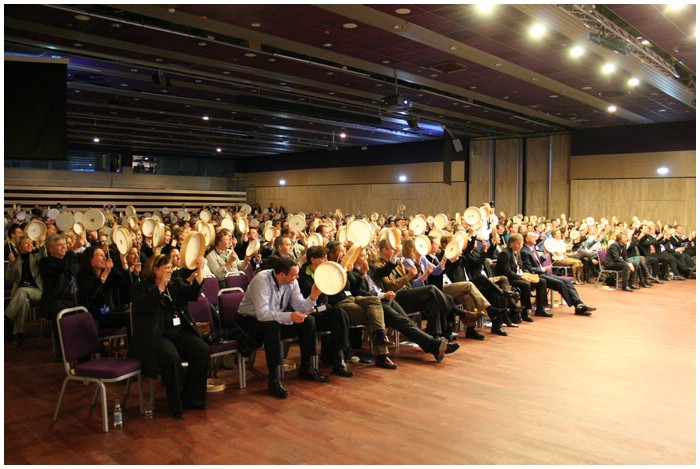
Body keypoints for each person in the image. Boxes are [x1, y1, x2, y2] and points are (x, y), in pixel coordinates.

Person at [129, 253, 210, 418]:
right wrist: (159, 287)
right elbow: (145, 307)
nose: (171, 271)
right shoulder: (140, 288)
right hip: (157, 336)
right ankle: (175, 403)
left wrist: (200, 271)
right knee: (172, 358)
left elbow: (193, 294)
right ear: (156, 269)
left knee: (202, 350)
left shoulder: (174, 284)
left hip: (178, 333)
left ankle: (192, 397)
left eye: (171, 268)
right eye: (166, 268)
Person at [237, 256, 329, 399]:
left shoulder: (292, 282)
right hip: (250, 320)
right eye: (294, 275)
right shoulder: (261, 280)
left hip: (275, 317)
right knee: (271, 327)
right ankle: (274, 379)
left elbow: (300, 308)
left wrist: (313, 297)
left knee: (308, 321)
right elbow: (262, 314)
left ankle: (306, 367)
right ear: (281, 275)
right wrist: (289, 316)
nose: (297, 277)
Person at [350, 247, 458, 361]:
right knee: (404, 322)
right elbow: (358, 292)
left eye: (365, 255)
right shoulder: (351, 272)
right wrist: (363, 276)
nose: (365, 258)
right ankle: (435, 344)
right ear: (354, 258)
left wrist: (395, 255)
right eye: (362, 256)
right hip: (375, 304)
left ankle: (434, 346)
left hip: (388, 299)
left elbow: (385, 271)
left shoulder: (371, 266)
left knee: (407, 322)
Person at [297, 245, 354, 377]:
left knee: (339, 313)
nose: (326, 260)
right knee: (332, 314)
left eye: (326, 257)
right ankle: (314, 364)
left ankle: (339, 358)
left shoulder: (325, 272)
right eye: (323, 258)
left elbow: (333, 293)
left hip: (322, 309)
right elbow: (308, 296)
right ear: (313, 259)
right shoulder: (303, 276)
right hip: (309, 312)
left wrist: (344, 274)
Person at [520, 232, 596, 316]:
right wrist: (543, 268)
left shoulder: (532, 249)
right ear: (527, 239)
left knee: (567, 282)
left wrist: (544, 256)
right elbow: (529, 269)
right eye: (533, 237)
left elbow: (537, 263)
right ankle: (578, 306)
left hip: (543, 273)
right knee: (560, 283)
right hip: (536, 275)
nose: (536, 238)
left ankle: (579, 304)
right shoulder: (524, 251)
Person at [38, 233, 84, 360]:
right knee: (61, 311)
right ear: (51, 249)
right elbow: (61, 267)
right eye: (59, 245)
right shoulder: (45, 262)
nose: (64, 247)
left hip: (75, 297)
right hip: (57, 299)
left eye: (64, 244)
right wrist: (73, 249)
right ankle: (63, 349)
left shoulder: (73, 260)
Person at [76, 246, 131, 334]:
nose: (105, 258)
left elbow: (127, 285)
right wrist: (105, 273)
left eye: (104, 255)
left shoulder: (109, 272)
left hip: (108, 313)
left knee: (132, 316)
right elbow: (92, 295)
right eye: (101, 255)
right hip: (93, 316)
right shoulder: (82, 276)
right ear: (91, 260)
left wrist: (124, 262)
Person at [496, 233, 550, 318]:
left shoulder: (517, 252)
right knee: (525, 285)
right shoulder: (505, 254)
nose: (520, 246)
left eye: (521, 244)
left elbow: (522, 267)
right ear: (511, 243)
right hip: (509, 279)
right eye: (518, 244)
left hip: (520, 275)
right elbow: (507, 272)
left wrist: (528, 274)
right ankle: (525, 312)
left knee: (542, 281)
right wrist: (521, 277)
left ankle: (540, 309)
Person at [5, 236, 44, 346]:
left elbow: (43, 257)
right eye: (27, 243)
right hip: (21, 294)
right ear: (20, 246)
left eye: (31, 243)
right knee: (24, 301)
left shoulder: (36, 257)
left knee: (22, 291)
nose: (30, 245)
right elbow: (9, 277)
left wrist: (41, 245)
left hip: (37, 291)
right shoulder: (16, 260)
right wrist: (11, 264)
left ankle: (6, 317)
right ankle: (18, 334)